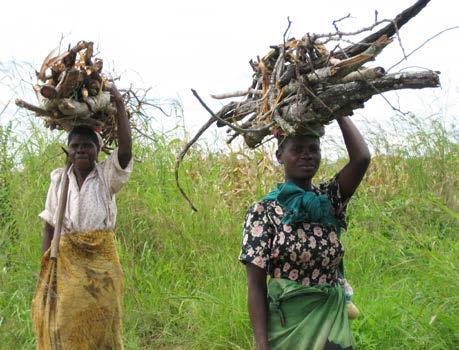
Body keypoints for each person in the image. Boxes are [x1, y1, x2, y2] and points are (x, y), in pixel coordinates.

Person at [239, 117, 371, 350]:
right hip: (288, 325)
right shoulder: (264, 211)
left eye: (313, 149)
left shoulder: (329, 200)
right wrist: (261, 344)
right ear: (280, 156)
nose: (307, 155)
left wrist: (339, 111)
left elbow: (361, 159)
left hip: (330, 319)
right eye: (297, 149)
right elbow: (256, 286)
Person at [31, 85, 132, 350]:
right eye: (75, 146)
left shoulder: (106, 178)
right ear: (68, 151)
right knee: (65, 326)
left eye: (87, 146)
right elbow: (49, 228)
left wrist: (120, 106)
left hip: (102, 268)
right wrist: (46, 272)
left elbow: (125, 152)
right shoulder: (59, 180)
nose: (81, 151)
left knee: (102, 329)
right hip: (66, 266)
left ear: (98, 150)